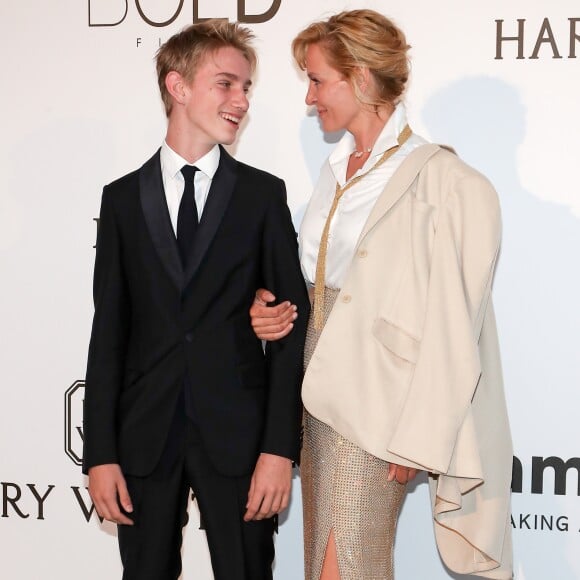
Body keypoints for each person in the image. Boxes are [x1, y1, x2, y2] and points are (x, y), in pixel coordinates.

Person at [250, 9, 513, 580]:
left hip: (377, 407)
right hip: (314, 394)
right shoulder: (337, 169)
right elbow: (321, 283)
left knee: (343, 569)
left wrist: (418, 438)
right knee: (330, 565)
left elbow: (452, 323)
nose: (309, 97)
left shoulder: (447, 182)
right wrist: (270, 307)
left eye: (318, 80)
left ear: (362, 79)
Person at [82, 20, 309, 580]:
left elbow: (288, 329)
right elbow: (108, 332)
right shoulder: (121, 200)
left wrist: (279, 450)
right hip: (143, 438)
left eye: (247, 88)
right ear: (178, 86)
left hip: (240, 439)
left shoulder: (262, 195)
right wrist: (100, 453)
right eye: (226, 84)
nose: (241, 101)